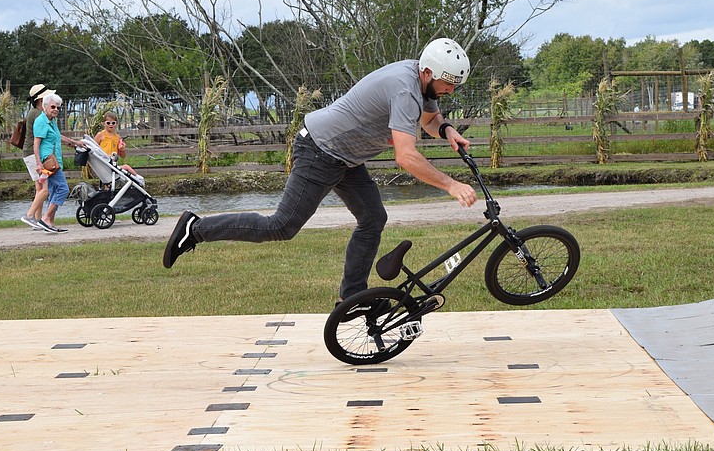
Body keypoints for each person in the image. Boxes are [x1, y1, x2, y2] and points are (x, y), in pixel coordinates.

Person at [163, 37, 479, 314]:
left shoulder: (420, 78)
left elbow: (430, 118)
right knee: (281, 226)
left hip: (346, 159)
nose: (450, 90)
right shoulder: (404, 88)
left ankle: (351, 296)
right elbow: (406, 156)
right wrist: (451, 185)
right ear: (428, 72)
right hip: (320, 150)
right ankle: (197, 228)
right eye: (448, 83)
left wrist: (447, 129)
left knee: (372, 219)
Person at [32, 91, 85, 233]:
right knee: (63, 189)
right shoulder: (41, 121)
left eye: (58, 107)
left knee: (54, 190)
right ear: (44, 107)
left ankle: (50, 223)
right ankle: (45, 218)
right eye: (53, 107)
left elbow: (58, 136)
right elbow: (36, 144)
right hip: (47, 161)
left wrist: (75, 143)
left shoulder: (51, 121)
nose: (56, 110)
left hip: (55, 161)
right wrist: (38, 164)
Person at [20, 84, 51, 229]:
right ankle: (30, 215)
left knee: (40, 187)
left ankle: (37, 220)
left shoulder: (34, 112)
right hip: (34, 155)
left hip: (30, 153)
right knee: (46, 187)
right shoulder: (38, 114)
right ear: (40, 99)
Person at [93, 112, 143, 183]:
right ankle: (138, 179)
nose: (111, 125)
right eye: (108, 123)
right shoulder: (100, 135)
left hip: (112, 164)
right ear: (104, 123)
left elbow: (123, 156)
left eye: (113, 123)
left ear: (116, 124)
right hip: (104, 163)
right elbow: (93, 148)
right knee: (126, 167)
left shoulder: (117, 137)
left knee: (126, 167)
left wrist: (122, 149)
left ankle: (136, 179)